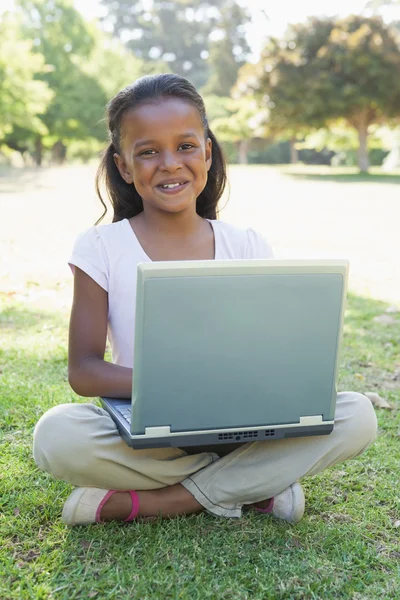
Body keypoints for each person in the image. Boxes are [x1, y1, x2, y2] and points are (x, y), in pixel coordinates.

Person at [33, 74, 377, 527]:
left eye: (186, 146)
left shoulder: (247, 244)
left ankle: (166, 500)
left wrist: (264, 382)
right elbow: (84, 371)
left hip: (246, 428)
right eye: (149, 151)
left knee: (358, 415)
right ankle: (253, 487)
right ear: (124, 167)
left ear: (208, 153)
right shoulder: (100, 247)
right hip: (151, 431)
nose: (170, 163)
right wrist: (176, 385)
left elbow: (269, 353)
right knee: (56, 434)